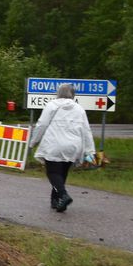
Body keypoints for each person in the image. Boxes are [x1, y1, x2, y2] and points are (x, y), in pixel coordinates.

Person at [30, 83, 96, 212]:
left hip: (54, 144)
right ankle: (56, 201)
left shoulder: (52, 105)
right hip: (73, 146)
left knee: (53, 172)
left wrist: (33, 141)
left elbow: (42, 124)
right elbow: (86, 130)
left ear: (58, 93)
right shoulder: (79, 108)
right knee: (61, 173)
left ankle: (63, 195)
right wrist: (90, 150)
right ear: (73, 94)